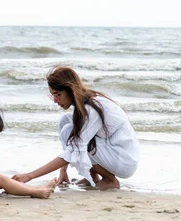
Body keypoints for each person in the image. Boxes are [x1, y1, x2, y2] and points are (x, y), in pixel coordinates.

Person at [12, 66, 140, 190]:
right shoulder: (83, 106)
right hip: (112, 151)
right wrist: (63, 172)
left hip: (124, 160)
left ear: (70, 90)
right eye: (52, 95)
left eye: (58, 95)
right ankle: (92, 175)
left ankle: (109, 180)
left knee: (73, 136)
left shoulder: (92, 109)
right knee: (66, 122)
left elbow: (75, 148)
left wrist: (29, 176)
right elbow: (71, 147)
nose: (55, 100)